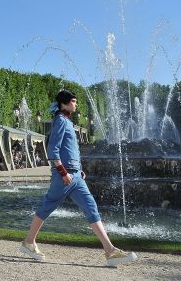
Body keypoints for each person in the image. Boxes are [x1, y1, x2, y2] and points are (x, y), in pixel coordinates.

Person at [19, 90, 138, 267]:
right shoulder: (60, 120)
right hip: (64, 175)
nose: (76, 104)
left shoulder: (67, 121)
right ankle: (29, 242)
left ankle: (110, 251)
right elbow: (53, 150)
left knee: (91, 207)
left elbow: (71, 150)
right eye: (73, 101)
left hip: (75, 176)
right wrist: (63, 172)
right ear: (65, 104)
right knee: (47, 206)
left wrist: (79, 170)